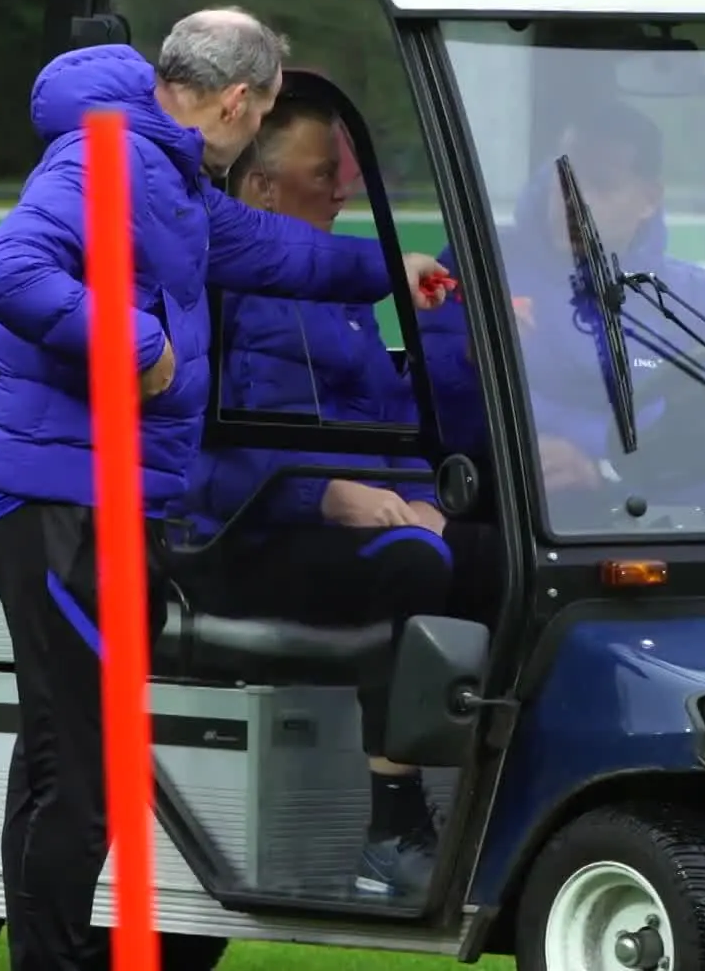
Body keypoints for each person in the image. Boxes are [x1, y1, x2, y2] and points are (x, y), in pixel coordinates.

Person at [0, 8, 450, 971]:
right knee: (85, 778)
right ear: (236, 100)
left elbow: (280, 251)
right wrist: (137, 343)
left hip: (103, 508)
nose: (258, 124)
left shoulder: (169, 179)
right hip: (66, 509)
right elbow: (9, 269)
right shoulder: (107, 160)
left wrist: (392, 271)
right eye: (264, 109)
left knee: (63, 763)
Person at [187, 92, 496, 900]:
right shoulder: (208, 294)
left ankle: (502, 793)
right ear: (261, 188)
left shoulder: (345, 296)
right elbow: (196, 458)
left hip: (347, 525)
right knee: (412, 564)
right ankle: (390, 825)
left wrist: (425, 495)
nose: (342, 189)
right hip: (245, 537)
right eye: (323, 174)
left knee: (505, 560)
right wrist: (324, 496)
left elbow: (387, 423)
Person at [418, 100, 705, 525]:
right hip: (506, 521)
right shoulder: (476, 263)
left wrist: (601, 469)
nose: (572, 201)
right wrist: (474, 364)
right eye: (563, 179)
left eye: (600, 186)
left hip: (648, 529)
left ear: (649, 199)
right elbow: (426, 398)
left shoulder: (692, 295)